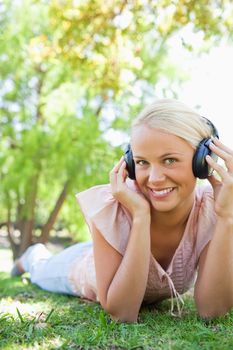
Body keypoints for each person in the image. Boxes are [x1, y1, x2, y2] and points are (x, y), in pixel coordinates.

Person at [12, 98, 233, 323]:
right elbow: (122, 313)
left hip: (105, 251)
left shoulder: (212, 208)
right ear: (130, 163)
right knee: (41, 268)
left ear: (203, 162)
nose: (155, 179)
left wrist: (227, 218)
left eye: (169, 160)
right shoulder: (115, 204)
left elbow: (212, 310)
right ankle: (31, 255)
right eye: (142, 162)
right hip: (79, 265)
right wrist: (140, 216)